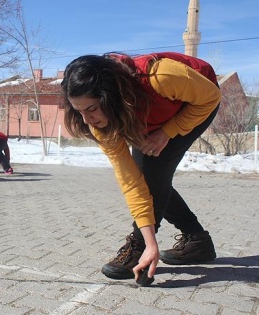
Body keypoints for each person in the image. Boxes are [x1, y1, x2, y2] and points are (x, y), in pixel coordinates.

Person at [61, 52, 221, 283]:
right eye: (79, 110)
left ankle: (137, 248)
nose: (87, 120)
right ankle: (196, 240)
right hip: (140, 110)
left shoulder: (161, 76)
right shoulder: (101, 123)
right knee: (146, 177)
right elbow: (130, 181)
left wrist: (168, 131)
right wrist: (152, 243)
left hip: (196, 102)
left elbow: (210, 97)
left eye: (92, 108)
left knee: (155, 171)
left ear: (110, 97)